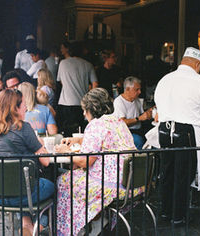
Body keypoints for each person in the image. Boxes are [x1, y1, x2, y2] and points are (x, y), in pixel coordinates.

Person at [55, 88, 141, 236]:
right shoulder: (118, 122)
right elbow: (106, 140)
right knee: (75, 179)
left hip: (112, 186)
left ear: (90, 109)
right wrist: (77, 139)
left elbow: (84, 161)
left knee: (63, 182)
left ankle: (73, 228)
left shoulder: (95, 125)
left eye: (84, 110)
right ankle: (96, 220)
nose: (83, 113)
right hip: (133, 183)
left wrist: (66, 151)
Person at [154, 47, 200, 225]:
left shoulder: (165, 79)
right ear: (198, 64)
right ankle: (178, 217)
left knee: (167, 172)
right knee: (183, 174)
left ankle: (165, 213)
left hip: (164, 131)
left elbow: (158, 104)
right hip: (186, 132)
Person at [0, 89, 54, 236]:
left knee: (21, 183)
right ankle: (41, 224)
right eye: (23, 104)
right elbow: (46, 161)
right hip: (24, 195)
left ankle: (27, 225)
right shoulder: (23, 128)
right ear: (15, 108)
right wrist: (40, 144)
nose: (26, 107)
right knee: (54, 185)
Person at [56, 42, 98, 136]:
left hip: (66, 103)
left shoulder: (63, 63)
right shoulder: (88, 65)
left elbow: (60, 81)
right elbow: (95, 84)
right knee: (82, 132)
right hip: (82, 104)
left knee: (67, 133)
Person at [113, 76, 152, 150]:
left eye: (140, 89)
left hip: (138, 130)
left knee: (152, 137)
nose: (140, 92)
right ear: (127, 89)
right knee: (139, 141)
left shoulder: (136, 100)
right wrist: (139, 118)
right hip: (125, 132)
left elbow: (141, 115)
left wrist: (149, 113)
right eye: (137, 90)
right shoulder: (119, 101)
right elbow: (122, 122)